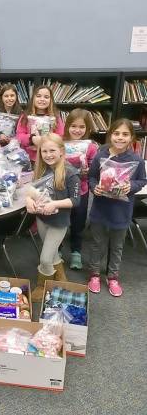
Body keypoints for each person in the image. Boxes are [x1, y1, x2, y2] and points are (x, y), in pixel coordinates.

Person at [87, 118, 146, 297]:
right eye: (116, 133)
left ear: (132, 137)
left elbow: (142, 180)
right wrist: (94, 187)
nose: (120, 137)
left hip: (121, 212)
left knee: (117, 246)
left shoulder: (136, 160)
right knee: (97, 244)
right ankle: (94, 274)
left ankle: (112, 276)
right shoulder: (101, 155)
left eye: (125, 134)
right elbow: (91, 178)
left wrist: (131, 187)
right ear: (110, 135)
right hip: (100, 208)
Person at [25, 133, 80, 301]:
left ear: (62, 151)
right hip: (42, 219)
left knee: (45, 258)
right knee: (52, 251)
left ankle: (43, 286)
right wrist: (28, 200)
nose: (48, 155)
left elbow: (76, 200)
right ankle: (61, 277)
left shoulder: (70, 173)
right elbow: (30, 189)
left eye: (52, 150)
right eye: (44, 151)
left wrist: (55, 204)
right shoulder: (41, 169)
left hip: (59, 222)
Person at [63, 109, 98, 270]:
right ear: (67, 126)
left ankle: (76, 251)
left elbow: (95, 167)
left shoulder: (90, 147)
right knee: (61, 221)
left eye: (82, 127)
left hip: (81, 190)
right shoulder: (60, 143)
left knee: (78, 221)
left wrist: (87, 171)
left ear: (87, 128)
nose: (77, 130)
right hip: (61, 190)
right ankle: (57, 250)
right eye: (73, 126)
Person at [16, 85, 64, 162]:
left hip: (49, 157)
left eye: (46, 97)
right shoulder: (25, 116)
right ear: (33, 98)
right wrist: (32, 139)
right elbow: (19, 136)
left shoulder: (56, 117)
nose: (42, 99)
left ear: (51, 100)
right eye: (38, 96)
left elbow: (60, 136)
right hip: (29, 158)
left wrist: (48, 140)